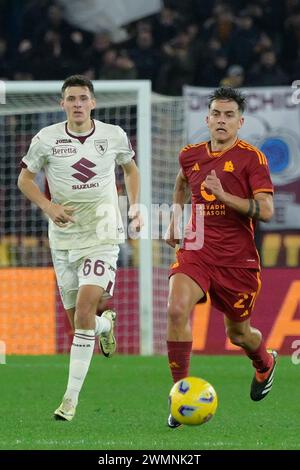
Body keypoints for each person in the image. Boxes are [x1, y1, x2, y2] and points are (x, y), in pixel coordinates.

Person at [18, 75, 141, 421]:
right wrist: (48, 206)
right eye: (71, 98)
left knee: (85, 309)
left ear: (93, 103)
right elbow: (24, 179)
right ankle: (106, 326)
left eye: (83, 98)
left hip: (103, 232)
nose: (77, 104)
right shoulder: (46, 139)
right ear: (62, 104)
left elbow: (130, 170)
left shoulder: (113, 135)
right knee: (81, 324)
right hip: (64, 238)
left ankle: (69, 400)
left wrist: (134, 204)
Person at [165, 87, 277, 428]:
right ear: (207, 118)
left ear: (240, 122)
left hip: (237, 261)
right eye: (216, 114)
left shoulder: (252, 159)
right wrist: (175, 215)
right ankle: (177, 397)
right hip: (196, 250)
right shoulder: (190, 154)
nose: (222, 120)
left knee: (238, 335)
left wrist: (223, 195)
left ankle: (264, 363)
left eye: (229, 115)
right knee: (175, 309)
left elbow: (267, 211)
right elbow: (183, 181)